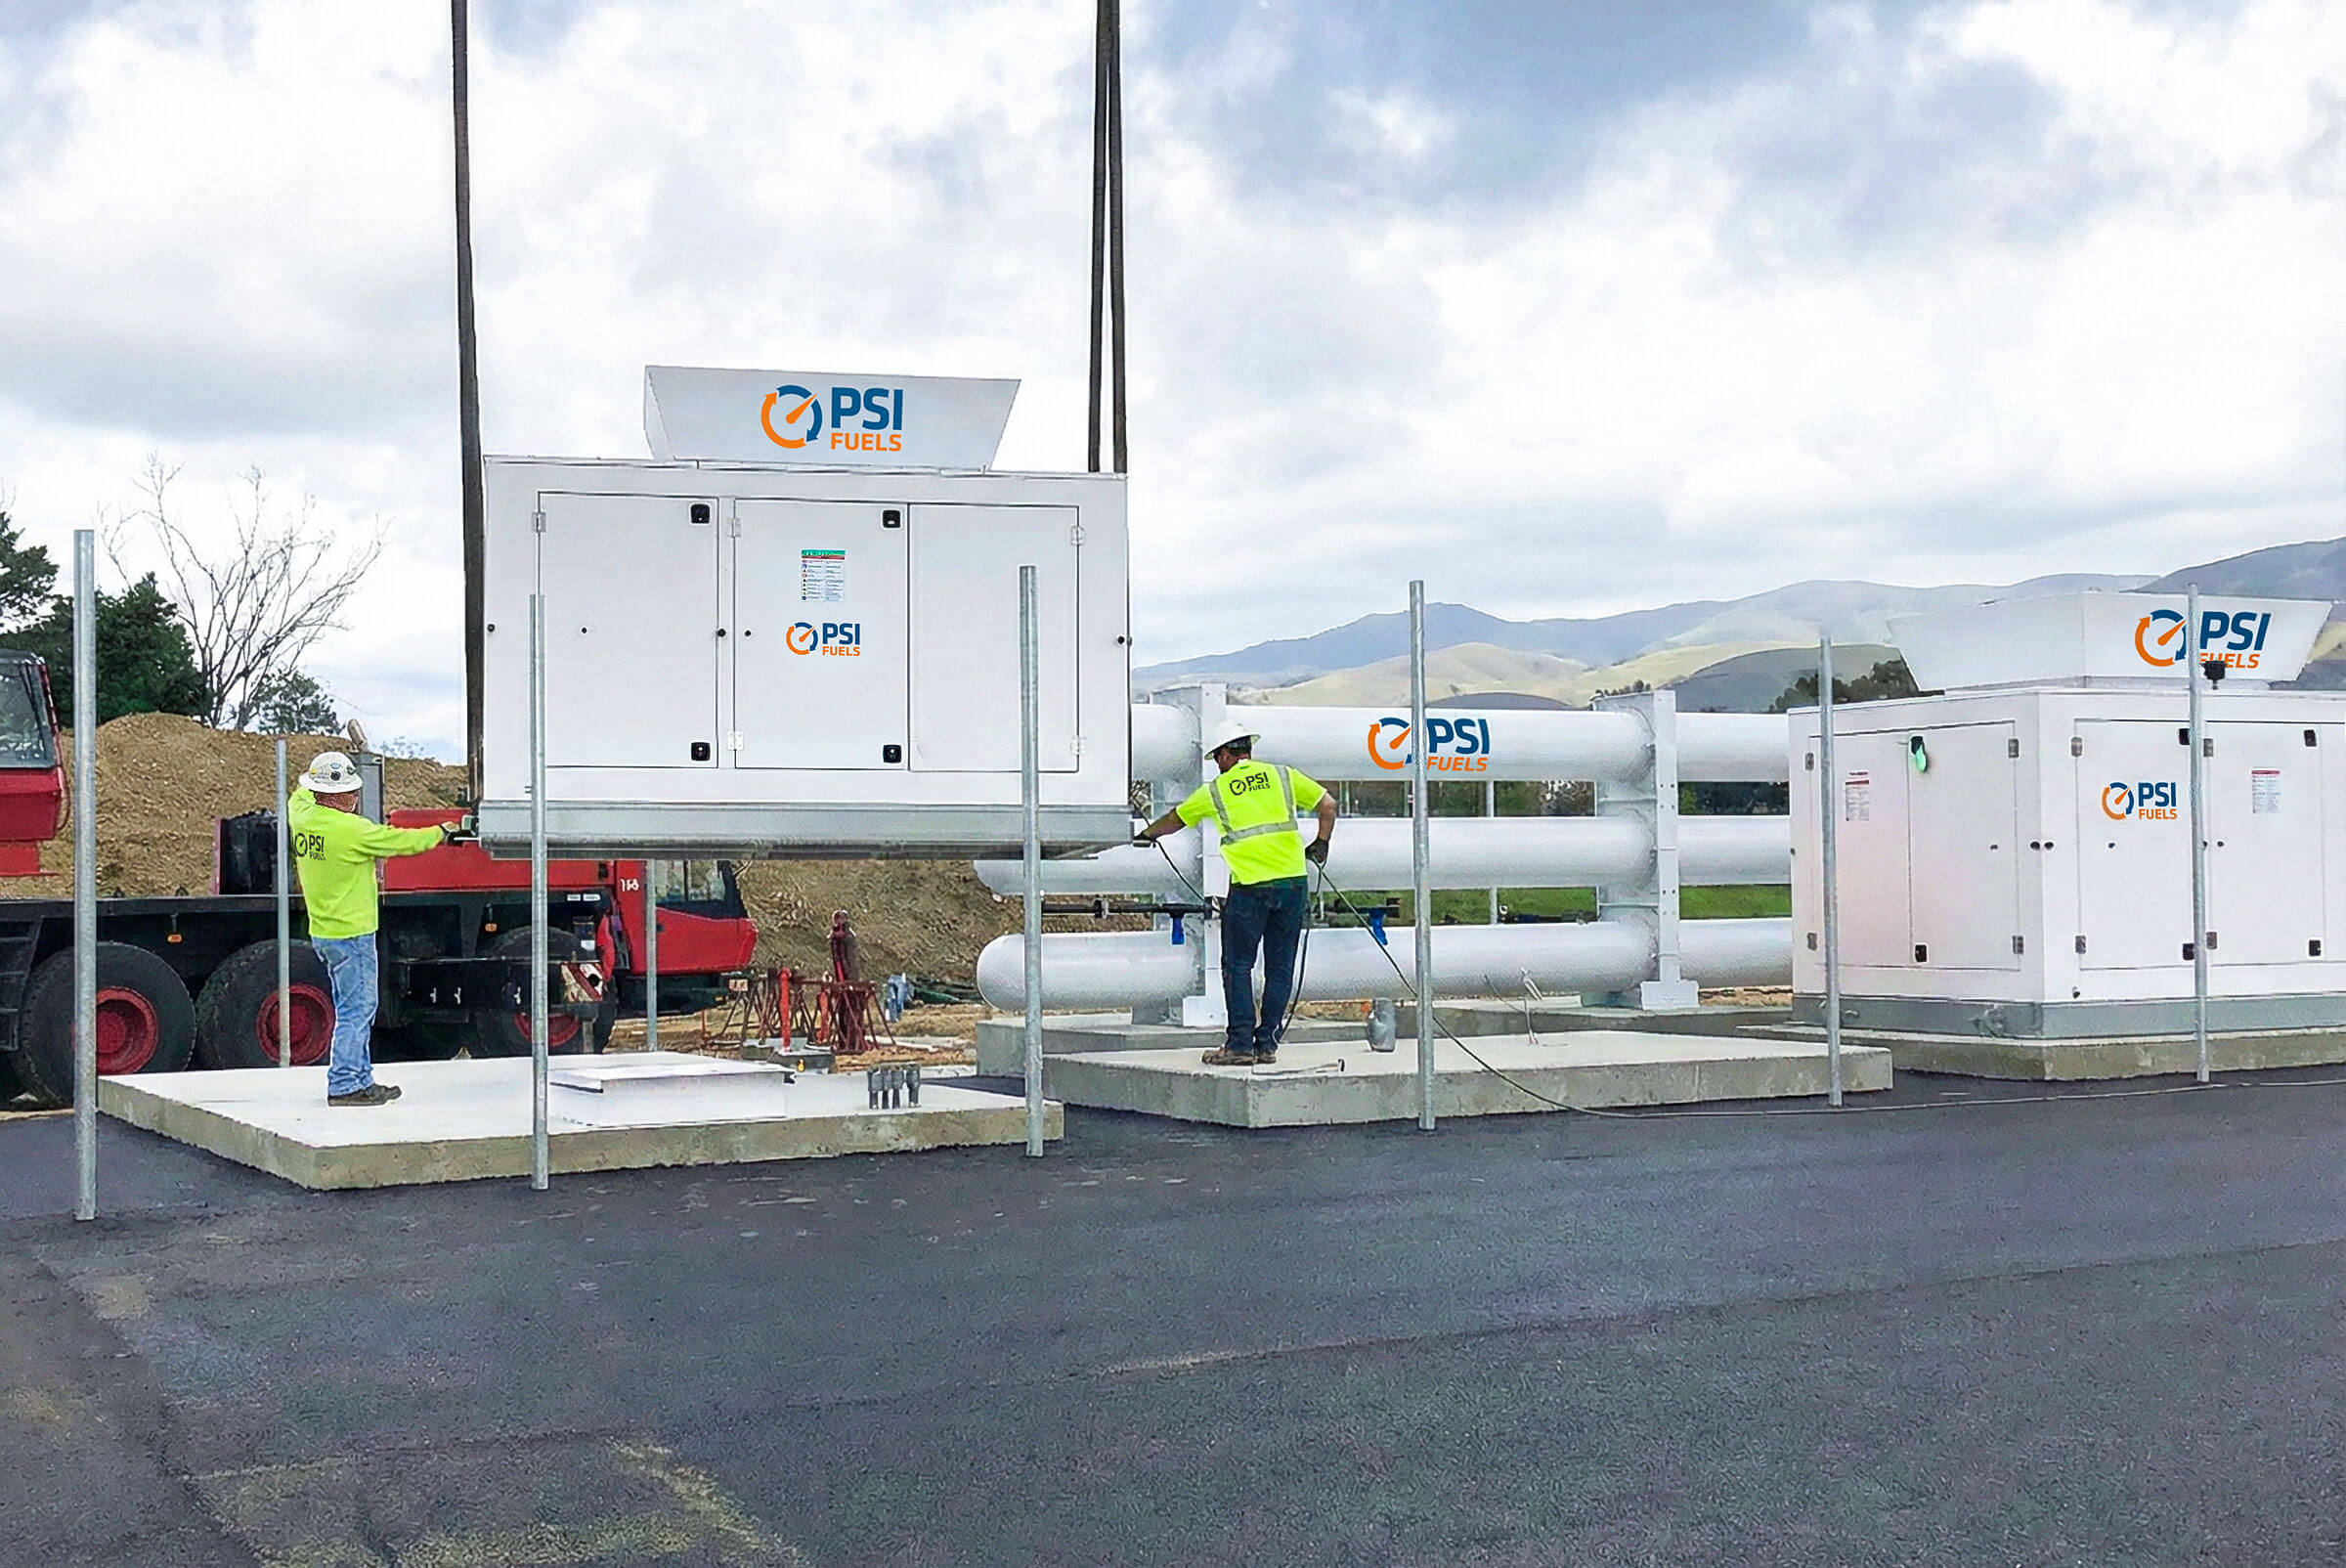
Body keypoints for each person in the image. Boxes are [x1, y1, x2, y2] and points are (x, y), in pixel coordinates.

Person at [1136, 726, 1337, 1067]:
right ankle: (1267, 1044)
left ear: (1228, 754)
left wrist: (1147, 833)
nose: (1218, 764)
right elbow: (1328, 804)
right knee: (1280, 969)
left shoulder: (1217, 790)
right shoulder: (1282, 775)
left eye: (1218, 757)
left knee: (1238, 967)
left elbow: (1175, 819)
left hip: (1250, 888)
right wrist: (1321, 843)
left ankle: (1241, 1044)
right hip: (1292, 885)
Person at [286, 750, 456, 1106]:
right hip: (353, 934)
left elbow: (301, 792)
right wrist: (440, 831)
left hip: (325, 932)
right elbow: (402, 842)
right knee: (358, 1010)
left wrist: (321, 773)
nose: (355, 795)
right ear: (332, 795)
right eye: (349, 790)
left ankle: (360, 1079)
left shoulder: (301, 813)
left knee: (350, 1007)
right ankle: (345, 1084)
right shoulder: (351, 830)